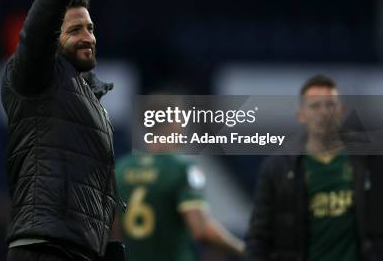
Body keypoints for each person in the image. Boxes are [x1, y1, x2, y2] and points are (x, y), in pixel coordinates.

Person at [1, 0, 120, 261]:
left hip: (77, 250)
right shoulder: (36, 77)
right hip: (45, 249)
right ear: (53, 41)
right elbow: (36, 32)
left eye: (90, 28)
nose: (88, 37)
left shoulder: (87, 97)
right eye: (75, 31)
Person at [246, 75, 383, 260]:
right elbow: (258, 236)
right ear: (301, 115)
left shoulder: (370, 160)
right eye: (315, 106)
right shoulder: (278, 168)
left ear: (341, 111)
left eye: (330, 105)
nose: (324, 112)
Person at [115, 123, 245, 261]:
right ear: (173, 126)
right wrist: (243, 249)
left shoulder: (121, 168)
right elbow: (201, 230)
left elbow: (113, 230)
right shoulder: (183, 169)